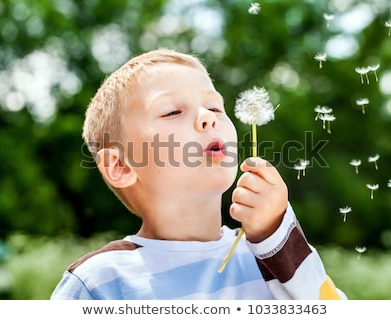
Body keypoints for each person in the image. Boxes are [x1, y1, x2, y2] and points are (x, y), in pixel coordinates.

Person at [51, 48, 346, 300]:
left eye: (215, 107)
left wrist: (275, 234)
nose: (207, 117)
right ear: (121, 166)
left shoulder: (271, 255)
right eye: (172, 112)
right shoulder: (99, 283)